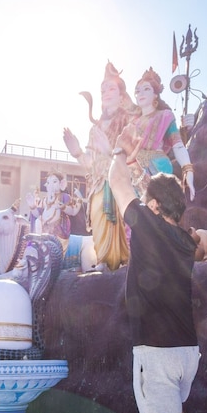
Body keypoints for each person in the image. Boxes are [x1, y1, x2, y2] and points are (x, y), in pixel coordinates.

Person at [107, 142, 200, 413]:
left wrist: (118, 153)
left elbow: (116, 181)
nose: (141, 208)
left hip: (157, 354)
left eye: (147, 203)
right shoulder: (185, 241)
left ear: (156, 206)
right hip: (187, 352)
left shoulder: (148, 225)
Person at [63, 61, 140, 270]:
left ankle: (125, 263)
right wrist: (77, 152)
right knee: (100, 220)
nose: (105, 92)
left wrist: (109, 150)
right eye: (103, 89)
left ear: (122, 95)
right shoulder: (95, 128)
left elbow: (134, 155)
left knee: (122, 222)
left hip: (120, 184)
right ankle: (104, 261)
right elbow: (90, 164)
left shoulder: (129, 121)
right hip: (98, 186)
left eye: (111, 88)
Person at [115, 67, 195, 202]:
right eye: (137, 91)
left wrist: (188, 170)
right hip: (133, 171)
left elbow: (178, 145)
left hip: (158, 168)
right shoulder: (131, 124)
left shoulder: (165, 116)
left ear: (155, 94)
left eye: (146, 89)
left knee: (156, 209)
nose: (140, 93)